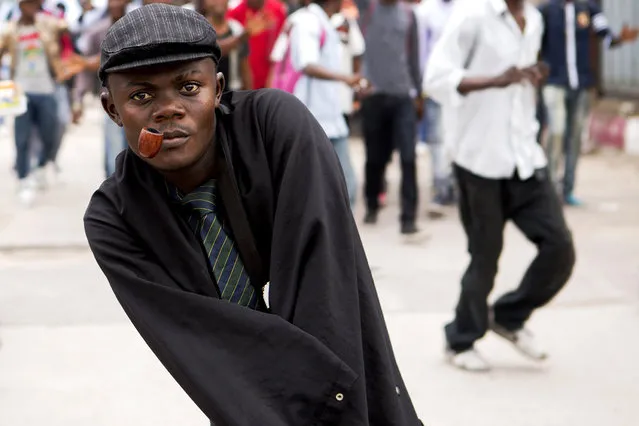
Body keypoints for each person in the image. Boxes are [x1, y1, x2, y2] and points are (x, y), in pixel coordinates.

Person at [84, 4, 423, 425]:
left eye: (189, 87)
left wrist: (337, 412)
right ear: (112, 109)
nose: (168, 109)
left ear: (219, 89)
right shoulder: (116, 218)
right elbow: (205, 342)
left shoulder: (276, 130)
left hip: (347, 388)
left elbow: (324, 286)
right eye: (140, 96)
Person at [425, 0, 576, 372]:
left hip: (524, 156)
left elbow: (518, 86)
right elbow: (435, 79)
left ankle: (508, 316)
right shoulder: (471, 15)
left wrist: (530, 76)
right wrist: (497, 79)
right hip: (479, 159)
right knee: (485, 258)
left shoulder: (534, 20)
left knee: (559, 248)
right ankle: (460, 339)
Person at [539, 0, 639, 206]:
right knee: (556, 132)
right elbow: (532, 42)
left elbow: (606, 36)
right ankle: (547, 191)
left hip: (581, 83)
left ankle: (567, 189)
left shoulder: (588, 10)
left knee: (574, 136)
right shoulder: (546, 11)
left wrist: (621, 38)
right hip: (554, 81)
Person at [354, 0, 423, 237]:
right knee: (375, 157)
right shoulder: (367, 9)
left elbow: (414, 56)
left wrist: (419, 93)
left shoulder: (408, 15)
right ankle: (372, 204)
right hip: (374, 96)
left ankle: (408, 217)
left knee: (408, 157)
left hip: (403, 95)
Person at [286, 0, 361, 208]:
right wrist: (344, 78)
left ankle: (340, 239)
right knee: (320, 190)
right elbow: (307, 64)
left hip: (331, 119)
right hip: (313, 118)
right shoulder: (308, 21)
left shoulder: (326, 21)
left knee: (346, 187)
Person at [0, 0, 67, 206]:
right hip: (21, 93)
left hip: (46, 89)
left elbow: (66, 27)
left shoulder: (46, 24)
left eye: (35, 4)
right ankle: (23, 179)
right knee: (22, 138)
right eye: (28, 4)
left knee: (51, 132)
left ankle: (40, 166)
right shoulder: (10, 30)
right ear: (21, 6)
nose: (32, 8)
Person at [72, 0, 128, 178]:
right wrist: (77, 99)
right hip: (111, 98)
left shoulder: (138, 27)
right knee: (115, 146)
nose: (116, 3)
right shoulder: (98, 30)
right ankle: (117, 189)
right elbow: (85, 69)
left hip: (140, 97)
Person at [415, 0, 456, 218]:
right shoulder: (426, 11)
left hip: (464, 85)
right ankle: (440, 188)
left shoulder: (467, 7)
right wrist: (422, 86)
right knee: (438, 139)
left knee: (458, 137)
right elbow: (422, 49)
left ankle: (456, 187)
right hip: (436, 85)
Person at [227, 0, 287, 89]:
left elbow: (282, 45)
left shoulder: (278, 9)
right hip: (244, 80)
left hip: (271, 77)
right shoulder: (235, 11)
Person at [197, 0, 254, 91]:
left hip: (232, 93)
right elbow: (211, 50)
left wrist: (250, 97)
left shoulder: (237, 29)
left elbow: (245, 68)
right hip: (204, 92)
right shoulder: (198, 30)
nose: (219, 2)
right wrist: (239, 39)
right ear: (204, 3)